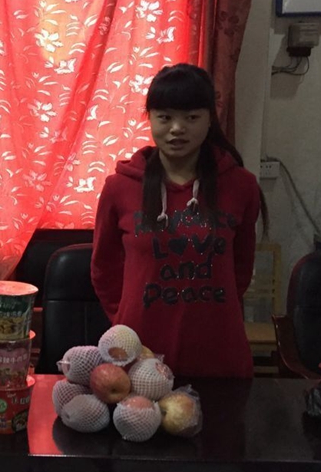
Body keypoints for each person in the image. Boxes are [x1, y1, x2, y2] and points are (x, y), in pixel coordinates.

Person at [91, 64, 266, 379]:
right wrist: (126, 319)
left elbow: (241, 268)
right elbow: (104, 268)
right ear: (150, 118)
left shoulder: (241, 185)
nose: (177, 128)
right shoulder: (120, 187)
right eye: (165, 117)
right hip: (138, 355)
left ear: (210, 119)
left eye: (191, 117)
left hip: (218, 354)